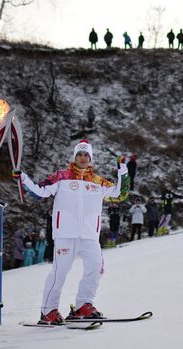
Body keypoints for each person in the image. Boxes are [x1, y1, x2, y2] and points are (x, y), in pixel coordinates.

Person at [17, 139, 128, 324]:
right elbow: (40, 192)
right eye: (80, 154)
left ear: (91, 158)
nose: (83, 158)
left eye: (86, 155)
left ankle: (83, 305)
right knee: (60, 272)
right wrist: (22, 178)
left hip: (90, 235)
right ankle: (48, 311)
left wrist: (123, 171)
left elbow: (120, 194)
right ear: (75, 156)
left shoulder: (98, 182)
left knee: (96, 268)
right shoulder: (62, 177)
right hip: (65, 234)